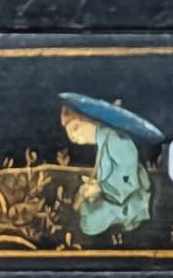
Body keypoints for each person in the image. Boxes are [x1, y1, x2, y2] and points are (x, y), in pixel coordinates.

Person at [58, 93, 165, 239]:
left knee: (89, 221)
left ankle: (123, 218)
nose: (72, 137)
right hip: (115, 194)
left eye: (76, 127)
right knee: (84, 208)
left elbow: (127, 178)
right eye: (68, 132)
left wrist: (100, 188)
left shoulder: (116, 139)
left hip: (131, 199)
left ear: (92, 121)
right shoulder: (103, 140)